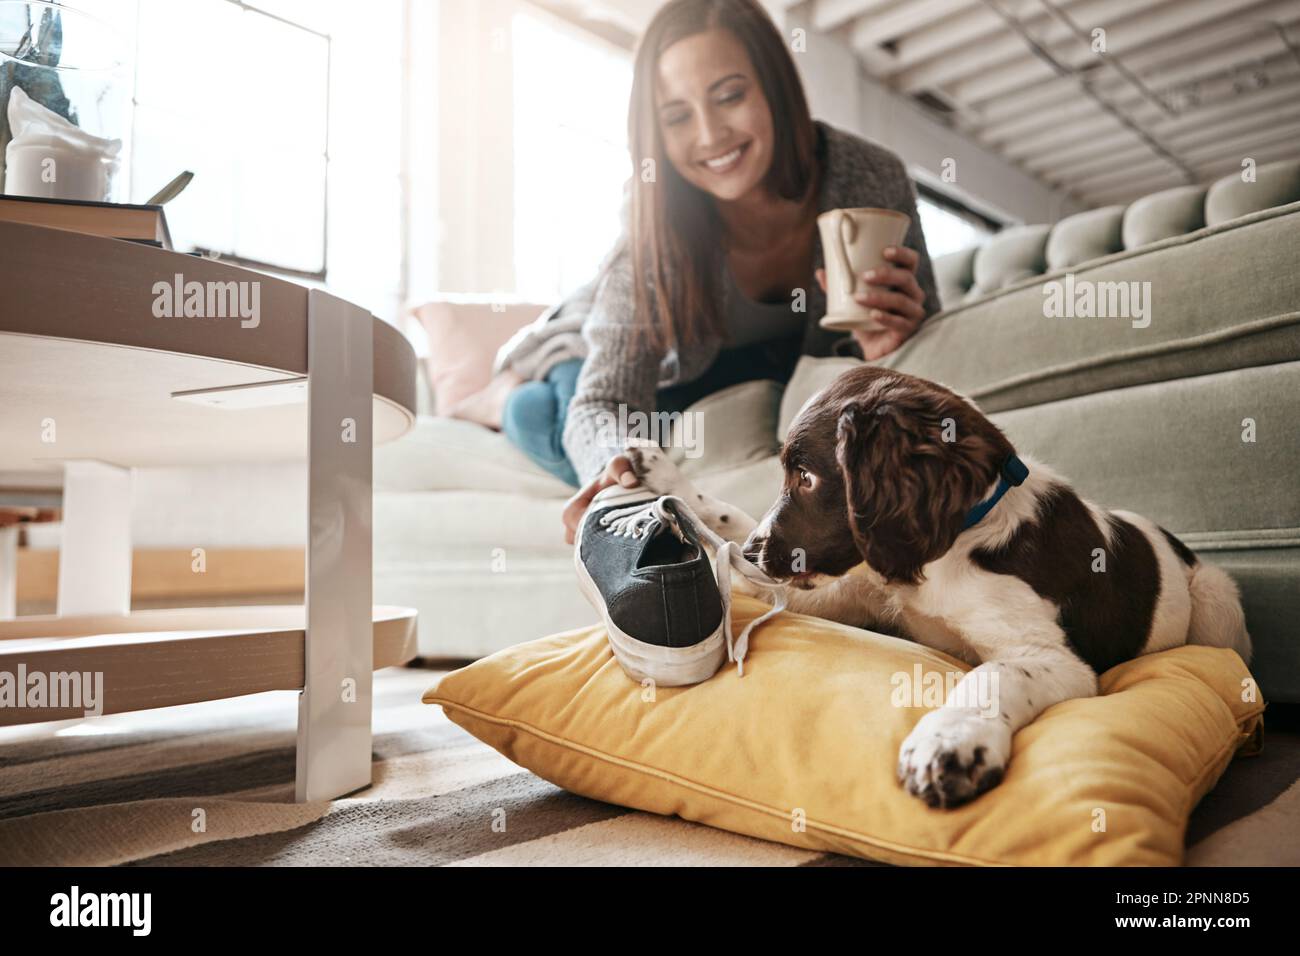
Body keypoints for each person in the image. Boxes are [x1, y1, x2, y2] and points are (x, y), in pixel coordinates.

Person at [450, 0, 940, 542]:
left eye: (730, 95)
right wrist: (619, 471)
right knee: (554, 417)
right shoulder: (654, 210)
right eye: (677, 116)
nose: (710, 135)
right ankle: (502, 394)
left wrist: (891, 346)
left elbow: (925, 355)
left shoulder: (871, 178)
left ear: (774, 87)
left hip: (744, 368)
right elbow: (606, 398)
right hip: (617, 351)